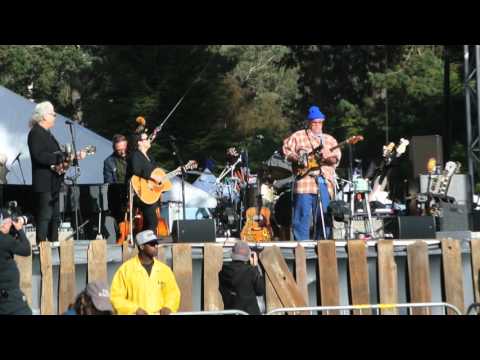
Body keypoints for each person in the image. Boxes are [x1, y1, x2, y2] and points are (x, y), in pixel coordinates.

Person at [27, 101, 85, 243]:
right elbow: (39, 156)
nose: (55, 117)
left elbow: (58, 155)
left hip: (54, 182)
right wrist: (61, 157)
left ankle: (54, 245)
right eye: (53, 114)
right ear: (44, 116)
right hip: (44, 182)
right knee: (45, 216)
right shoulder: (35, 133)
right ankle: (42, 247)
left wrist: (73, 157)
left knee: (55, 217)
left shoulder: (48, 134)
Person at [282, 106, 341, 241]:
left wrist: (327, 157)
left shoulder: (330, 140)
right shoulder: (298, 136)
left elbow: (335, 159)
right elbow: (286, 150)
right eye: (314, 122)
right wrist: (298, 158)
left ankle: (323, 245)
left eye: (320, 122)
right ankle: (301, 247)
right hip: (304, 182)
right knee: (302, 215)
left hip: (324, 182)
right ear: (309, 122)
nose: (317, 125)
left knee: (324, 215)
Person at [110, 230, 180, 315]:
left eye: (156, 243)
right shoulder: (125, 270)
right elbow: (115, 297)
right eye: (152, 244)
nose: (156, 246)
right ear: (142, 247)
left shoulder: (164, 270)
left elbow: (173, 293)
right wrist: (134, 310)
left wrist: (168, 307)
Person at [125, 129, 164, 233]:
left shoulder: (150, 157)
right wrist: (152, 176)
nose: (149, 140)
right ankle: (149, 244)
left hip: (151, 192)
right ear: (139, 142)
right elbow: (136, 169)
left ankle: (145, 243)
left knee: (149, 221)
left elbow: (157, 173)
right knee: (152, 221)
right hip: (140, 192)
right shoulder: (135, 155)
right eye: (146, 139)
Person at [219, 241, 265, 315]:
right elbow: (260, 291)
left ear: (232, 254)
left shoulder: (223, 272)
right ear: (247, 256)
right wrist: (255, 267)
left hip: (230, 312)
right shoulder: (251, 271)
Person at [0, 208, 32, 315]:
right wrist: (19, 229)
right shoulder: (5, 240)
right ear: (3, 224)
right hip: (10, 298)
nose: (10, 224)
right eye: (9, 221)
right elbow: (26, 250)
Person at [103, 134, 129, 231]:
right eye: (119, 150)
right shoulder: (109, 162)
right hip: (119, 196)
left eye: (124, 148)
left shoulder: (133, 157)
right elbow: (109, 182)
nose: (122, 152)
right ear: (114, 149)